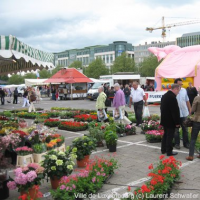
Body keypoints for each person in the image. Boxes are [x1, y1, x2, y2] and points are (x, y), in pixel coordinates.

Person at [160, 84, 180, 156]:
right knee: (169, 136)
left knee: (165, 135)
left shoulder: (165, 95)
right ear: (175, 89)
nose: (178, 92)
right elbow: (174, 111)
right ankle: (169, 151)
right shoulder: (172, 97)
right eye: (178, 90)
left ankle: (163, 149)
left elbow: (161, 108)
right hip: (170, 120)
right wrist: (177, 122)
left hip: (164, 119)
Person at [174, 78, 191, 149]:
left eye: (181, 84)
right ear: (175, 84)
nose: (180, 85)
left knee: (185, 129)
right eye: (179, 84)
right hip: (176, 114)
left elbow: (187, 101)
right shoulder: (172, 92)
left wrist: (190, 110)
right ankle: (177, 144)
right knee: (176, 130)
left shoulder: (184, 90)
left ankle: (186, 143)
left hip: (184, 113)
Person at [186, 87, 200, 161]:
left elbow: (193, 109)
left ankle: (190, 155)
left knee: (193, 138)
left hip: (197, 120)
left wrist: (190, 113)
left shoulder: (197, 98)